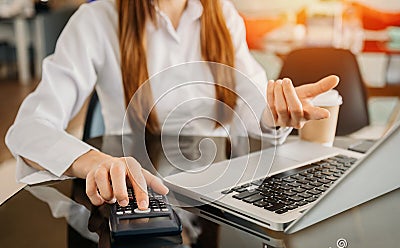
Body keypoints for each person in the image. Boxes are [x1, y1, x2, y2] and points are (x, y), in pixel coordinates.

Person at [6, 0, 339, 210]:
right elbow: (28, 130)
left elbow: (252, 107)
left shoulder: (223, 15)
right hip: (134, 194)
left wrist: (276, 111)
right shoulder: (96, 20)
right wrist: (95, 162)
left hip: (216, 190)